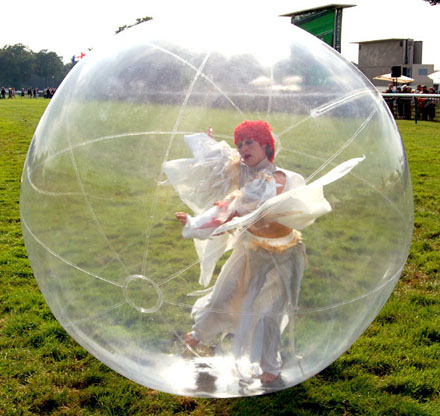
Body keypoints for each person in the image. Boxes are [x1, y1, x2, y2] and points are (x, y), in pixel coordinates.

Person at [163, 120, 363, 383]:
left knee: (269, 312)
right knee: (225, 293)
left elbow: (243, 204)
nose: (243, 149)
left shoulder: (276, 179)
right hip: (251, 250)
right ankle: (201, 334)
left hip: (282, 254)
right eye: (240, 144)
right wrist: (208, 145)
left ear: (266, 145)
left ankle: (269, 363)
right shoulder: (240, 168)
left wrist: (205, 221)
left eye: (249, 142)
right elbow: (221, 170)